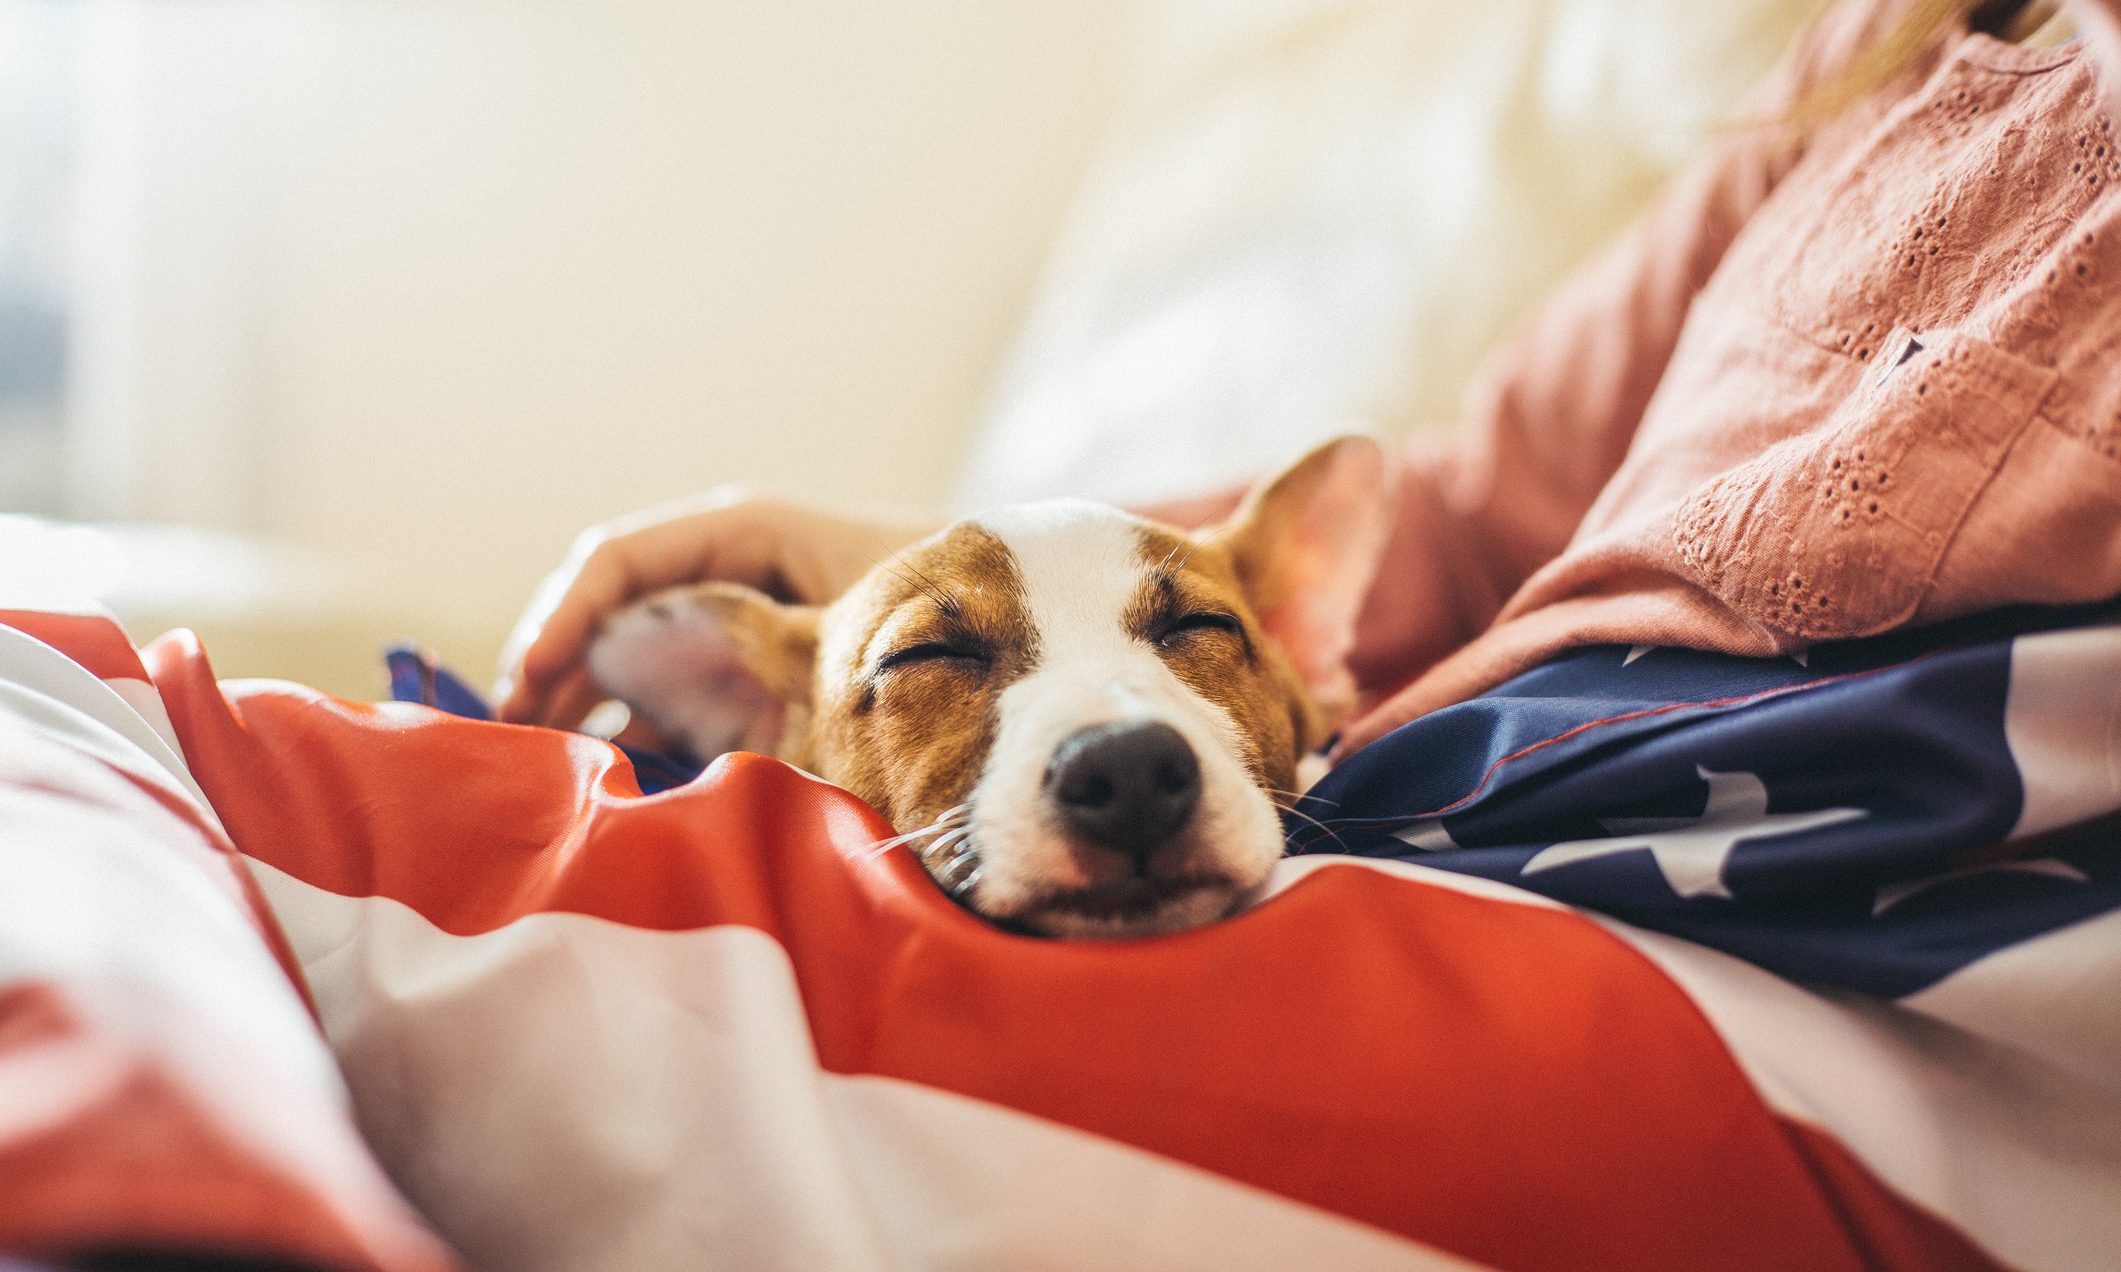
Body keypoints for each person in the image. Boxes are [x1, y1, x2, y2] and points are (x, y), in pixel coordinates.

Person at [495, 0, 2121, 768]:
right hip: (1441, 823)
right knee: (307, 808)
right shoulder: (1879, 54)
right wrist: (884, 565)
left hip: (1756, 932)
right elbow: (1475, 513)